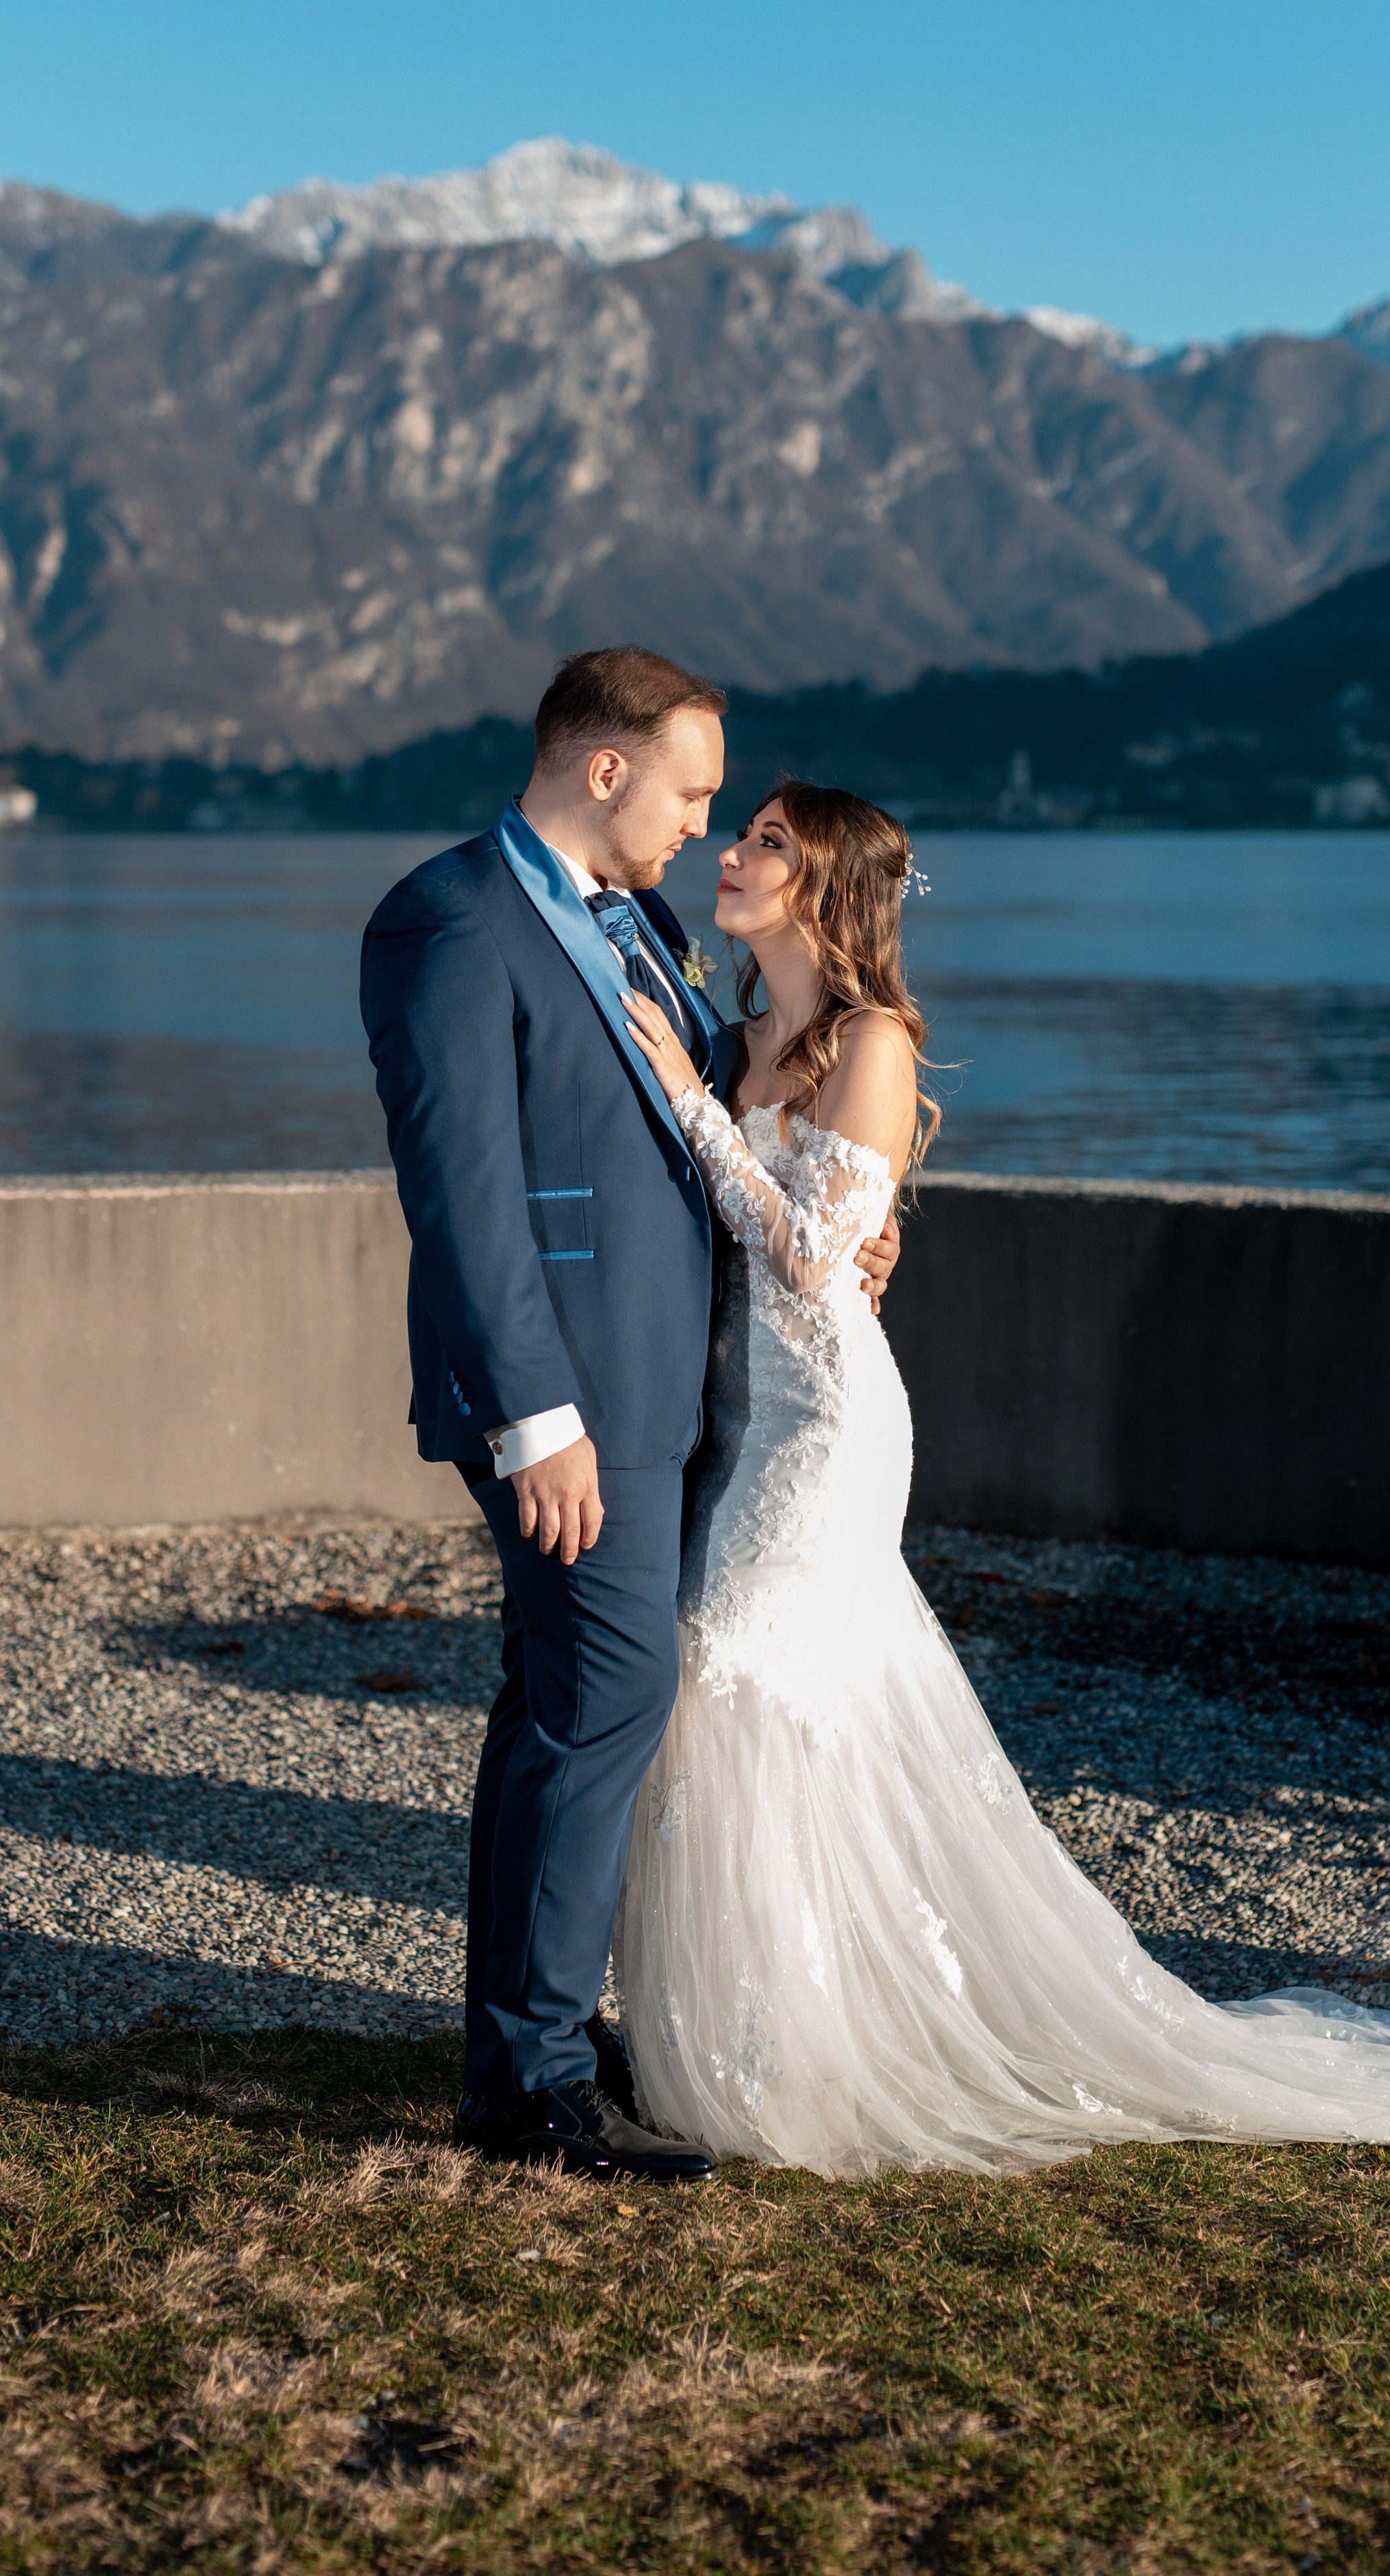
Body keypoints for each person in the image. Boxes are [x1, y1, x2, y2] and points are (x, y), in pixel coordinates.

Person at [615, 778, 1390, 2174]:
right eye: (738, 836)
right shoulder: (738, 1038)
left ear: (829, 884)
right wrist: (709, 1099)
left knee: (735, 1664)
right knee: (756, 1699)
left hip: (829, 1435)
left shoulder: (873, 1045)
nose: (731, 853)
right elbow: (779, 1237)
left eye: (768, 842)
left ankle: (793, 2060)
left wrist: (689, 1107)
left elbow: (805, 1255)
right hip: (737, 1420)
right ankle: (766, 2032)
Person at [360, 649, 899, 2184]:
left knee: (561, 1701)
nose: (702, 826)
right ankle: (526, 2083)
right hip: (573, 1404)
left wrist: (847, 1226)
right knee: (605, 1700)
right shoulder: (451, 920)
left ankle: (529, 2029)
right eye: (691, 791)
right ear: (606, 771)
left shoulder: (644, 926)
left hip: (683, 1386)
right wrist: (537, 1422)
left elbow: (719, 1126)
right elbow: (464, 1200)